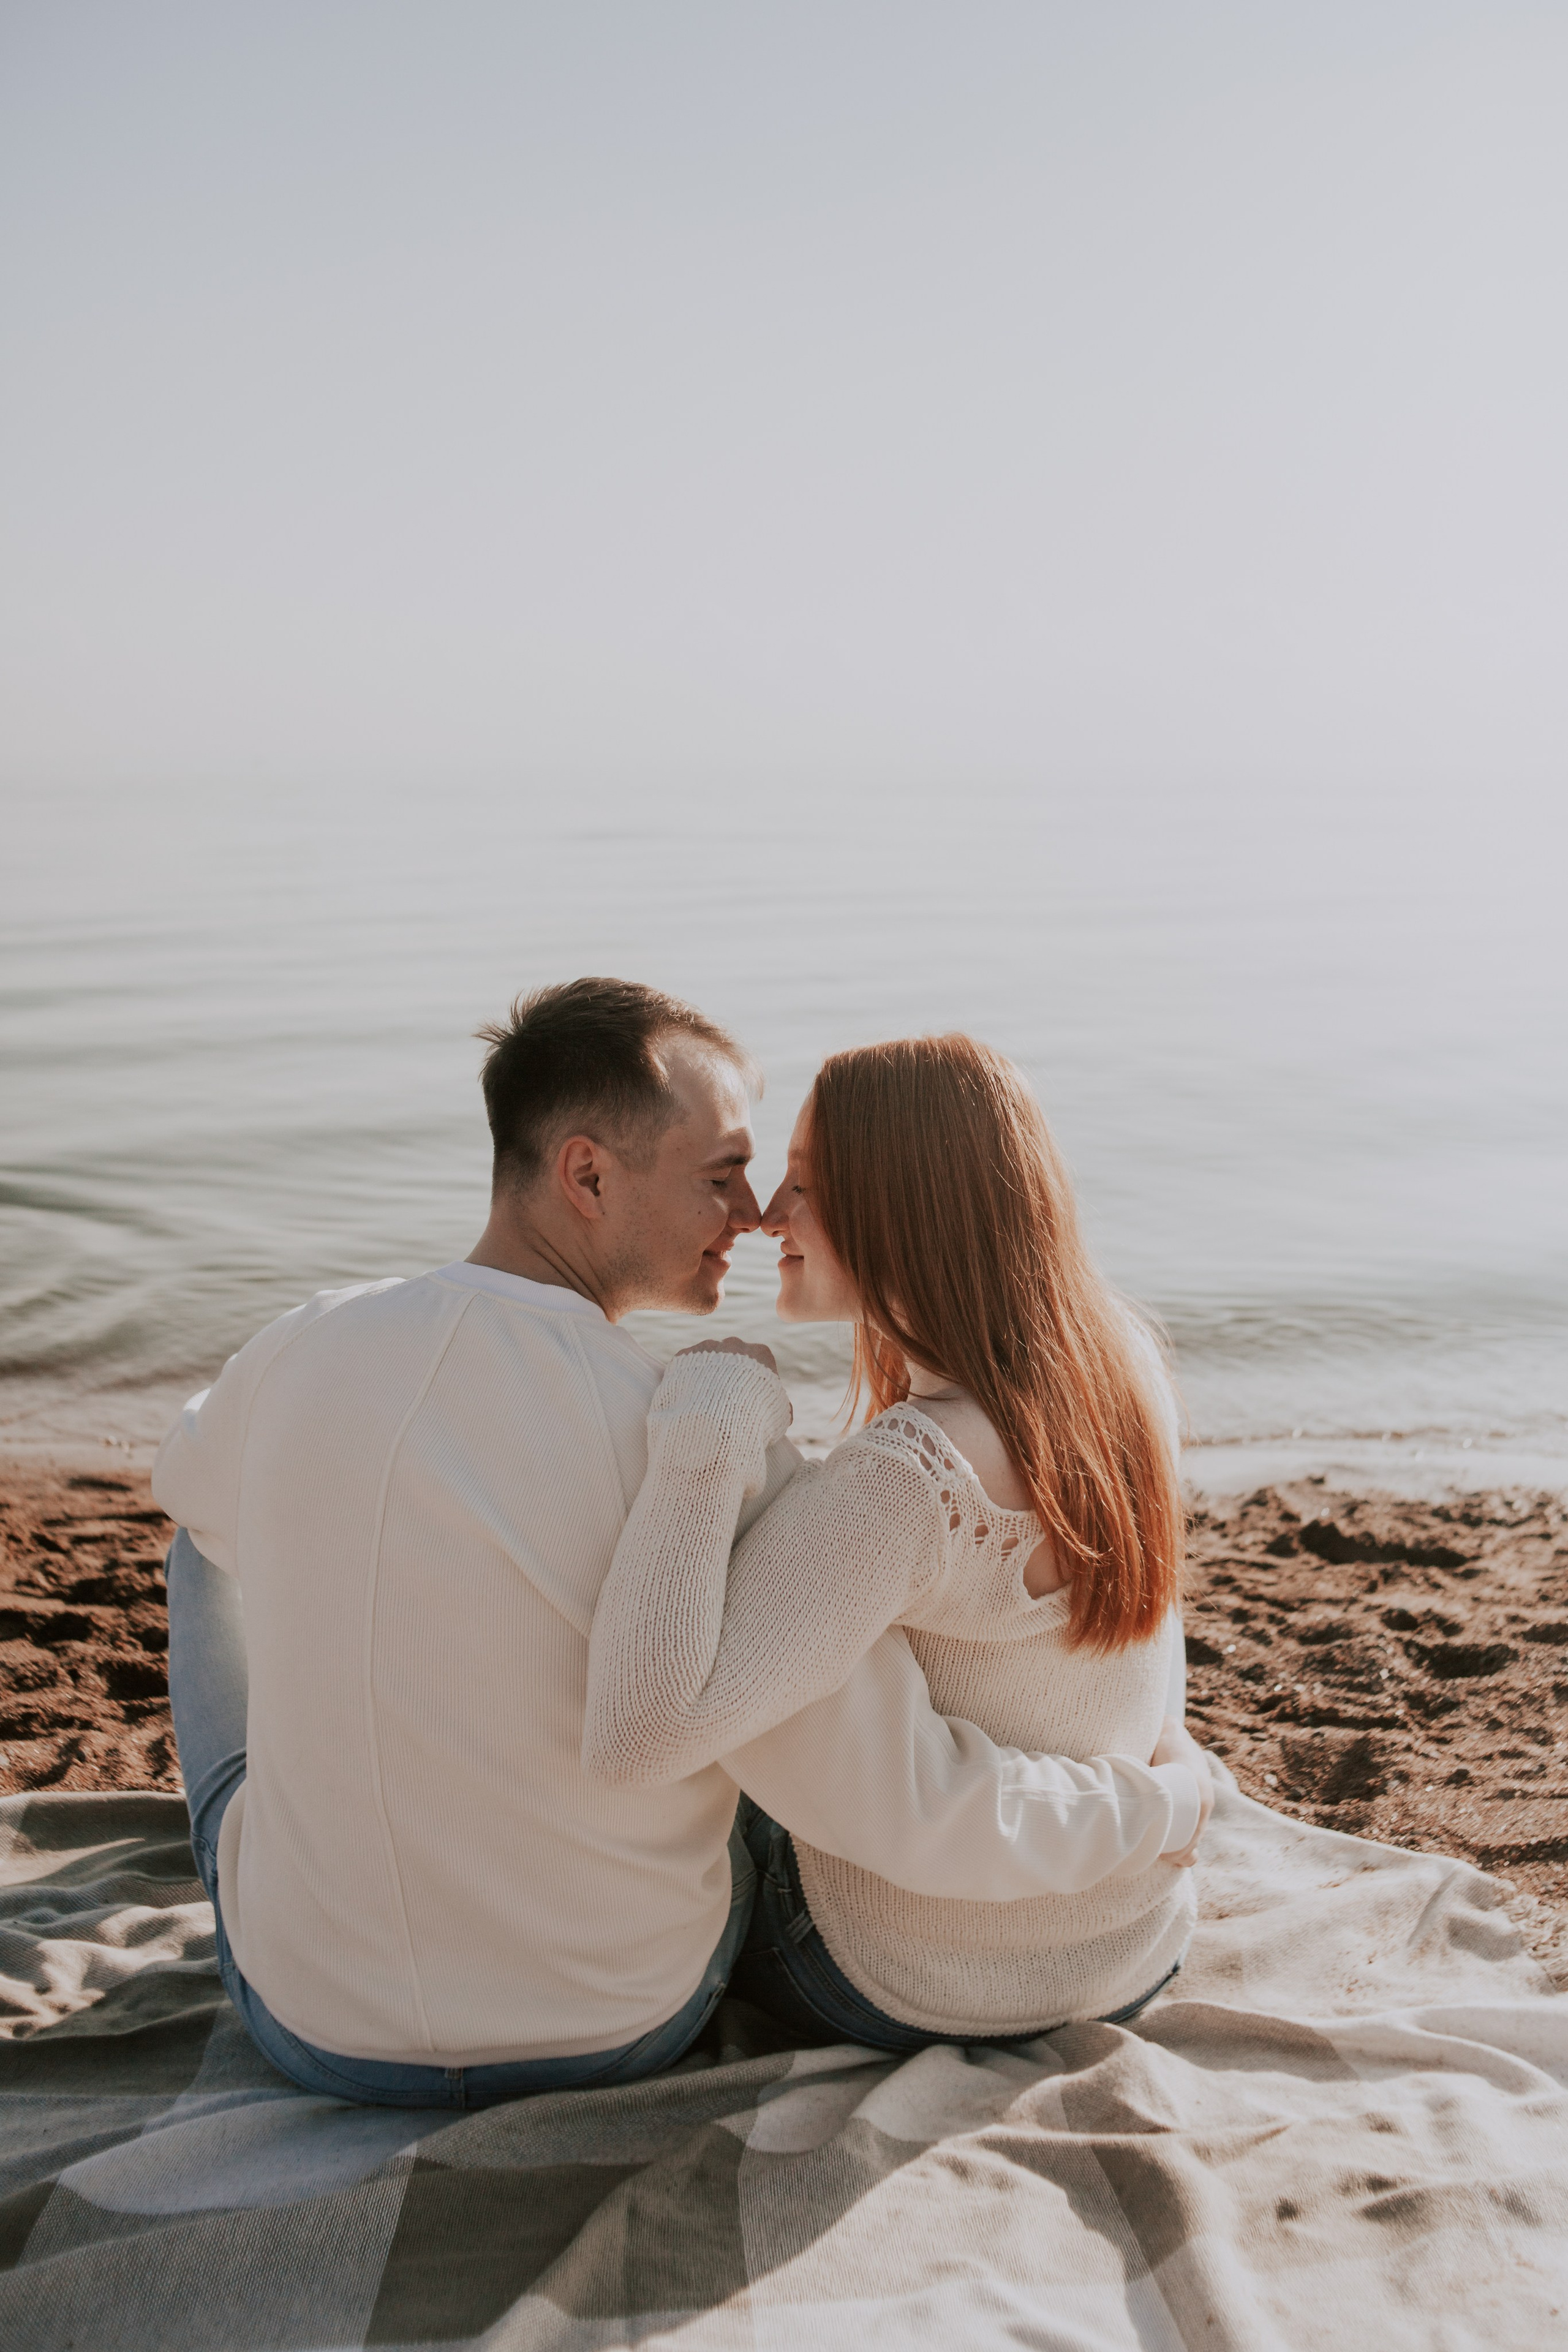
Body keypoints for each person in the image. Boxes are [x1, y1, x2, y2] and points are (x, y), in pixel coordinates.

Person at [154, 979, 1208, 2109]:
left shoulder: (308, 1346)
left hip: (312, 2015)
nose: (758, 1214)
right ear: (589, 1175)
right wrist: (1161, 1802)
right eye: (727, 1175)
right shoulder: (1097, 1371)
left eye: (785, 1180)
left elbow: (202, 1500)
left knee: (206, 1552)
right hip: (629, 2012)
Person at [585, 1032, 1206, 2051]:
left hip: (915, 1982)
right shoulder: (1117, 1359)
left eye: (805, 1185)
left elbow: (639, 1737)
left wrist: (704, 1427)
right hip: (1133, 1946)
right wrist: (1167, 1786)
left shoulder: (906, 1482)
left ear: (904, 1208)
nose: (766, 1216)